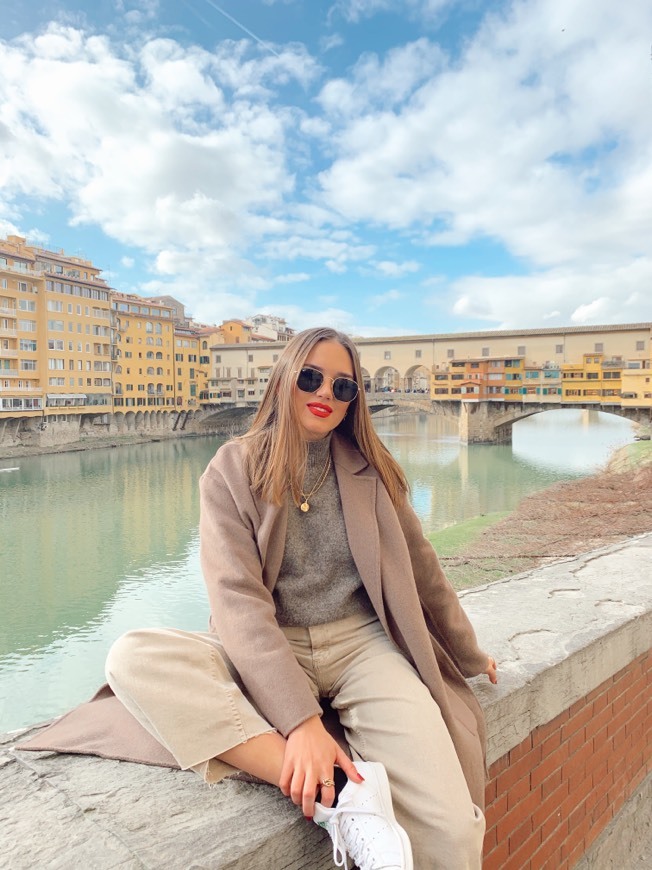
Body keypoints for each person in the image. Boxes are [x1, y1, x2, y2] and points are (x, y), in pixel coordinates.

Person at [103, 327, 498, 870]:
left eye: (344, 387)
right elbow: (236, 601)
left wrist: (469, 653)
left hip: (364, 647)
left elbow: (424, 571)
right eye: (311, 377)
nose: (325, 394)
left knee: (452, 830)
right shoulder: (232, 468)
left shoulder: (372, 471)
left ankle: (341, 788)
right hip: (268, 647)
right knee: (133, 656)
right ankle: (344, 796)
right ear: (284, 379)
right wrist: (301, 723)